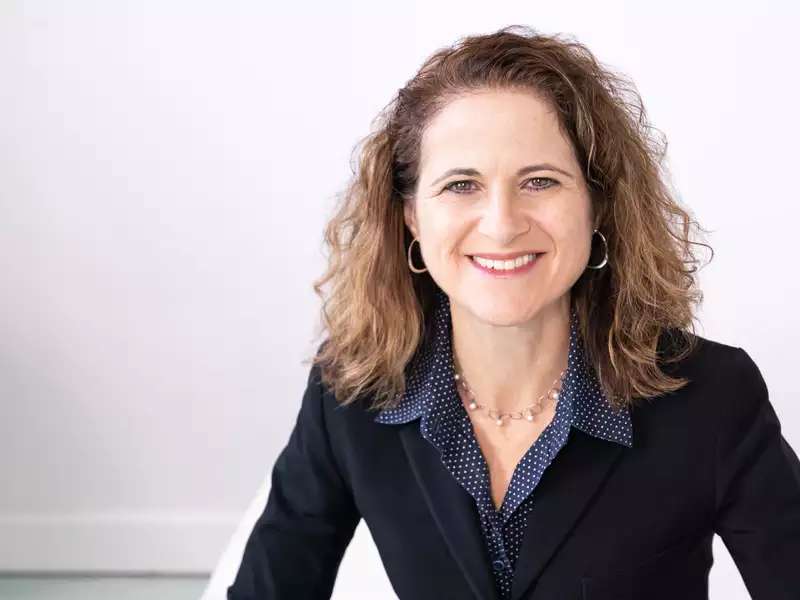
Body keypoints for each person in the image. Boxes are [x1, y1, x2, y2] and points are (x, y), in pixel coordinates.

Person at [227, 25, 800, 600]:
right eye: (460, 185)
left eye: (540, 181)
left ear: (597, 206)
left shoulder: (712, 395)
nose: (501, 224)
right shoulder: (351, 392)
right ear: (410, 220)